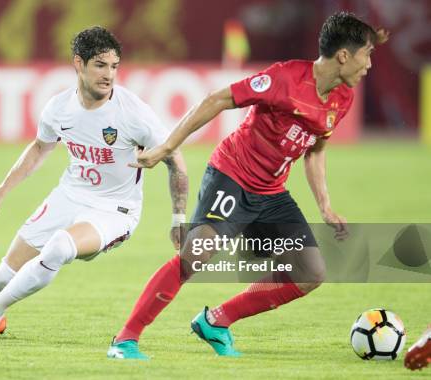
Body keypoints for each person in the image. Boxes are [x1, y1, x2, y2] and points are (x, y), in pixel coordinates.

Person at [107, 11, 388, 359]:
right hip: (232, 176)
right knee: (195, 255)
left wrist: (325, 206)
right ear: (344, 55)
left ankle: (216, 321)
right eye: (367, 54)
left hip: (271, 192)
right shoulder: (284, 78)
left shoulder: (341, 98)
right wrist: (167, 146)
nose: (369, 64)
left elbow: (315, 151)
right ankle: (125, 339)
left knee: (310, 272)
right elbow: (216, 99)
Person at [0, 26, 188, 340]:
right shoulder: (58, 109)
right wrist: (1, 191)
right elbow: (38, 149)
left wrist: (179, 219)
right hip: (69, 196)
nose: (109, 75)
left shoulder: (134, 114)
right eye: (100, 65)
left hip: (114, 210)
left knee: (60, 246)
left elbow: (176, 161)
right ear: (78, 64)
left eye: (114, 66)